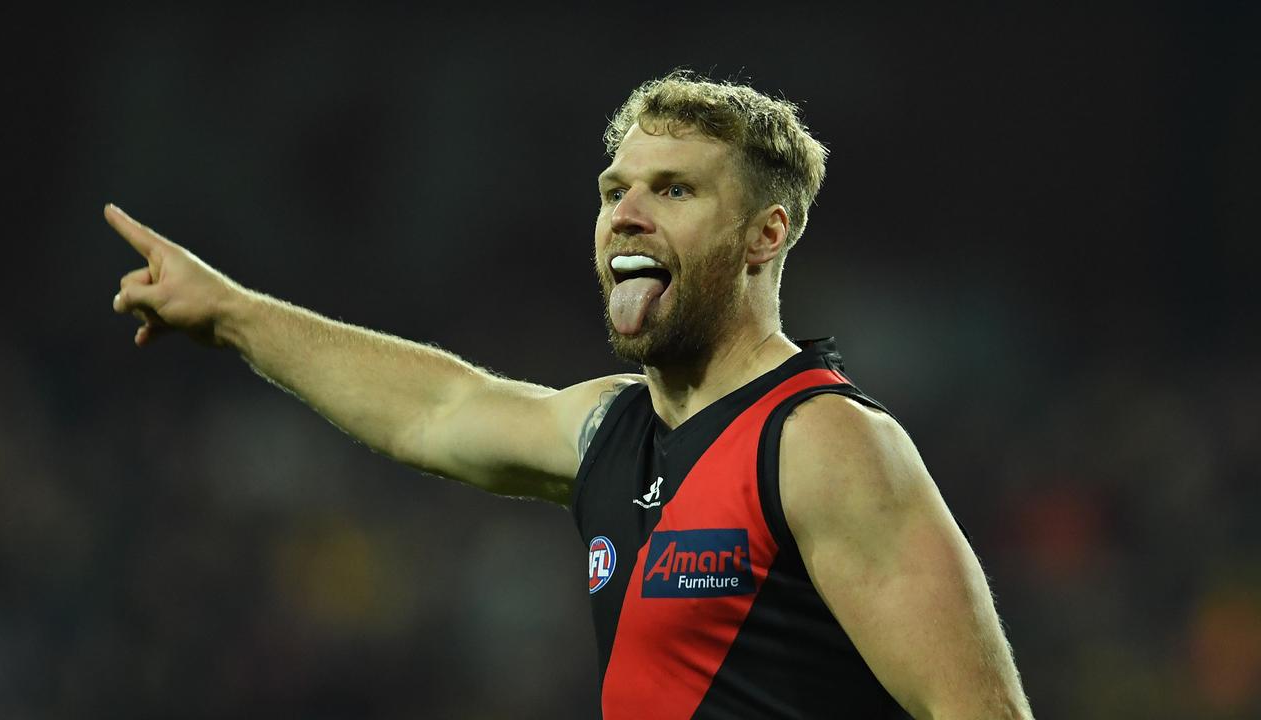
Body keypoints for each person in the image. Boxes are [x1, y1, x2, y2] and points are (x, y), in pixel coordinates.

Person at [109, 72, 1033, 719]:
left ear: (765, 235)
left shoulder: (823, 444)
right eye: (615, 189)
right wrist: (231, 314)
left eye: (673, 190)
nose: (627, 213)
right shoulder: (611, 428)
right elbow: (435, 409)